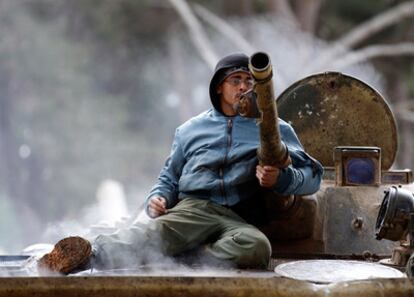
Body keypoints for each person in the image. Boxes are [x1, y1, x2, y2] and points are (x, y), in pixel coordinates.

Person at [38, 53, 323, 274]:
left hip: (238, 217)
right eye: (236, 80)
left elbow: (313, 176)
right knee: (148, 235)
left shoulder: (273, 128)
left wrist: (282, 180)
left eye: (250, 82)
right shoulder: (190, 129)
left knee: (257, 247)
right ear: (219, 86)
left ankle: (181, 258)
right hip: (192, 208)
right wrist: (158, 198)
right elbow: (169, 178)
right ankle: (81, 255)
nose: (244, 87)